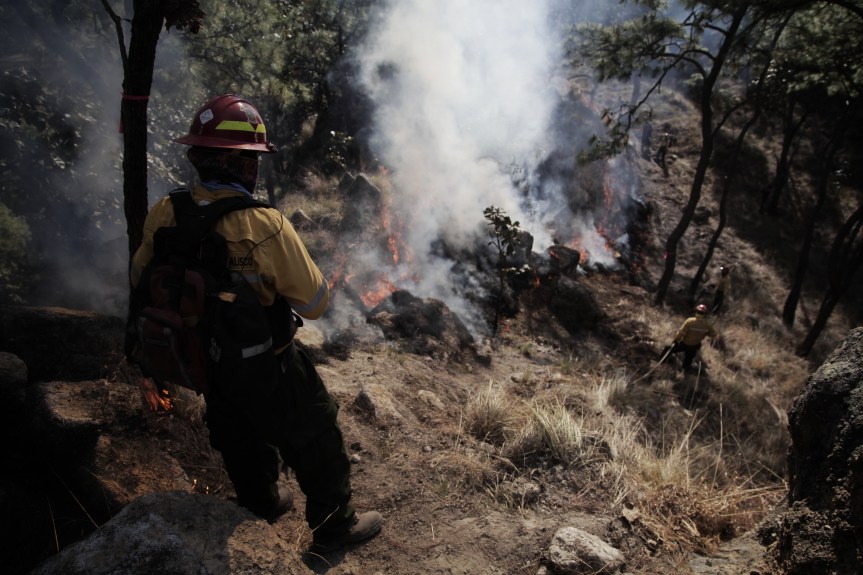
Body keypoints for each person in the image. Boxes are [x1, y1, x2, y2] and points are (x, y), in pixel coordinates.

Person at [128, 94, 382, 553]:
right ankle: (334, 526)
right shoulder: (264, 224)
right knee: (317, 434)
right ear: (243, 166)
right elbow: (316, 303)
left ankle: (262, 503)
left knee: (236, 436)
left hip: (205, 364)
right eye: (254, 161)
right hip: (271, 365)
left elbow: (138, 277)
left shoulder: (166, 210)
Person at [660, 304, 718, 372]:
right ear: (704, 314)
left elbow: (681, 333)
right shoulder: (707, 324)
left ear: (696, 311)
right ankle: (685, 369)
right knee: (689, 358)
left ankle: (662, 361)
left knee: (668, 347)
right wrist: (707, 333)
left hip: (685, 344)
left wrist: (676, 340)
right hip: (695, 345)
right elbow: (714, 334)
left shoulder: (690, 321)